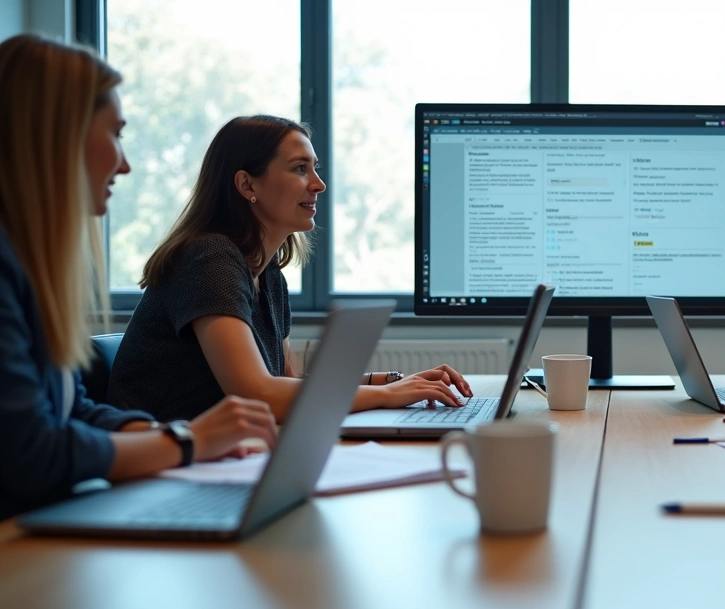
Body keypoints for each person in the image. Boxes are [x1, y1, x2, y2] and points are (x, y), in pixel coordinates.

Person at [0, 35, 278, 520]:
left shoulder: (25, 262)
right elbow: (31, 454)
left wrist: (175, 438)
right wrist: (187, 442)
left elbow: (74, 410)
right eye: (116, 134)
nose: (124, 164)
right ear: (56, 135)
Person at [107, 116, 474, 423]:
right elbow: (259, 393)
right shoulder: (208, 259)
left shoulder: (267, 274)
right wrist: (389, 394)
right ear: (247, 184)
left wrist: (391, 384)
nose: (319, 184)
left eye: (315, 169)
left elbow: (285, 382)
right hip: (161, 470)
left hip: (222, 455)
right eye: (300, 169)